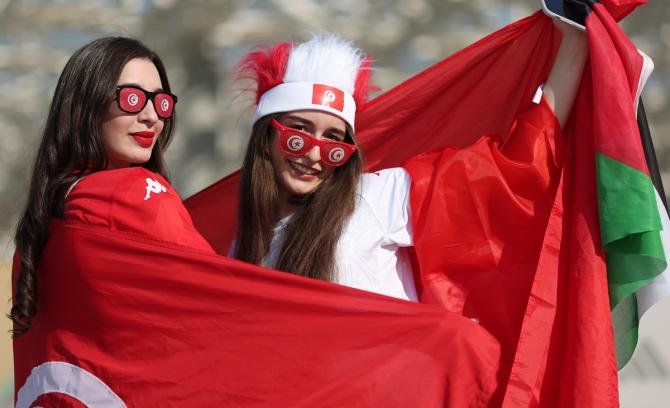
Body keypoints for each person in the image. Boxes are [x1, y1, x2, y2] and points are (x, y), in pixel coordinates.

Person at [231, 20, 587, 301]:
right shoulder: (241, 249)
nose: (313, 154)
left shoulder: (375, 198)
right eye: (299, 133)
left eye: (333, 142)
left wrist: (574, 41)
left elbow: (510, 171)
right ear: (266, 134)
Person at [9, 36, 213, 337]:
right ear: (87, 105)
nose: (152, 117)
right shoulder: (136, 190)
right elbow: (217, 287)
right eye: (132, 98)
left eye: (161, 101)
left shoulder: (41, 223)